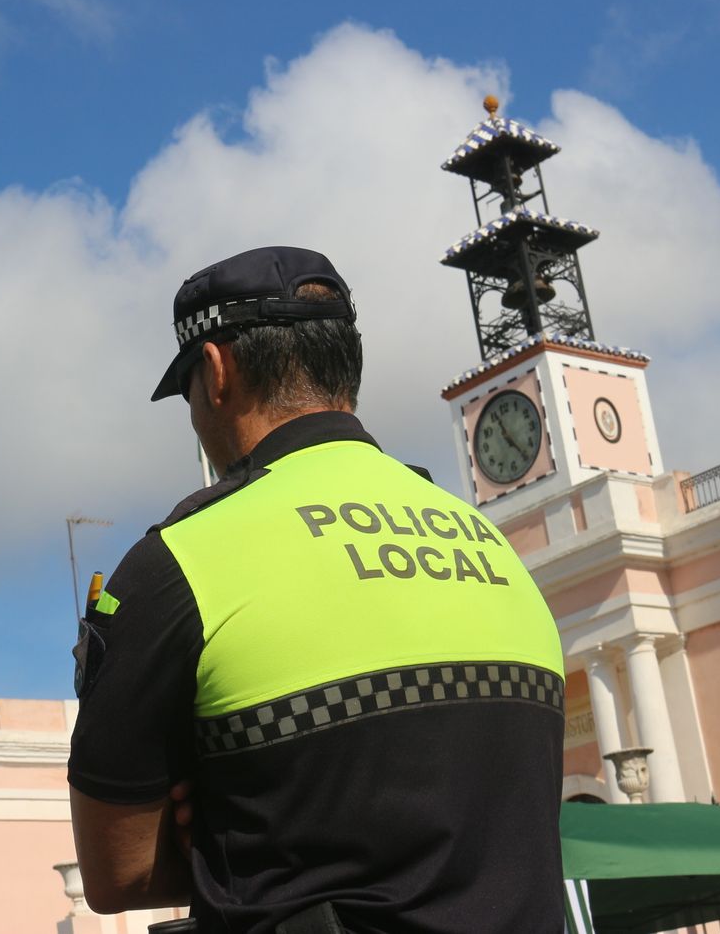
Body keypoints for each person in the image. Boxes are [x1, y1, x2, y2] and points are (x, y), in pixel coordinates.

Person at [67, 246, 566, 933]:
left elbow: (115, 871)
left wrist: (216, 832)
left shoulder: (179, 563)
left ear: (215, 371)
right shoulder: (493, 547)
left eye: (186, 389)